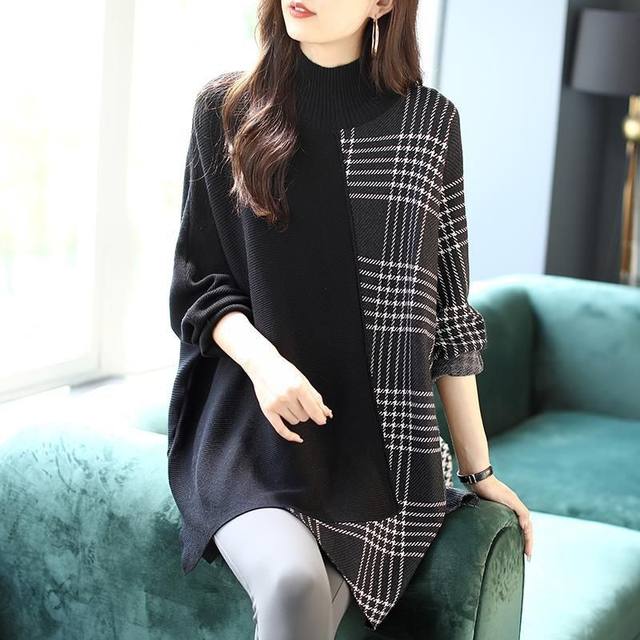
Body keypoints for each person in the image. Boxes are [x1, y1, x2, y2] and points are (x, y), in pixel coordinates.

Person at [167, 0, 534, 637]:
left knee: (314, 604)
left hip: (382, 451)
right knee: (295, 584)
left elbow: (448, 316)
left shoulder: (428, 125)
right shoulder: (226, 109)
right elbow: (200, 284)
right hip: (254, 428)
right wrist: (266, 366)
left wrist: (479, 473)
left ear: (383, 4)